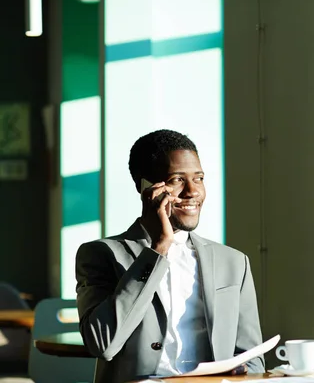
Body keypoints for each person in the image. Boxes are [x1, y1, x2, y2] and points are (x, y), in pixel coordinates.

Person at [75, 129, 264, 383]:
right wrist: (157, 249)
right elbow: (102, 344)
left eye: (199, 178)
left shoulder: (233, 262)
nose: (192, 191)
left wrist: (240, 372)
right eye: (177, 179)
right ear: (145, 188)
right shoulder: (100, 254)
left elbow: (252, 359)